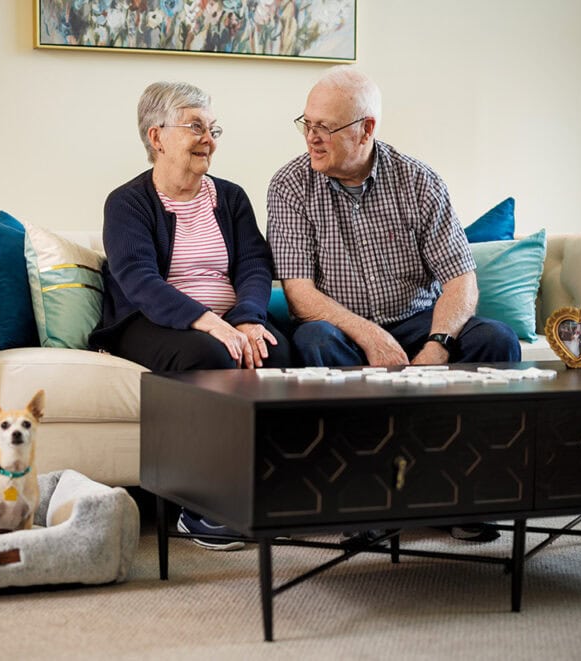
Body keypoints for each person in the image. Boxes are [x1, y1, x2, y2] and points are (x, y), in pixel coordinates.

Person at [266, 66, 520, 543]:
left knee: (495, 340)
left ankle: (467, 493)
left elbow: (460, 279)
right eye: (307, 123)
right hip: (340, 328)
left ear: (367, 129)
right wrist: (369, 334)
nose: (312, 138)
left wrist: (439, 344)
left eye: (326, 127)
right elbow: (299, 293)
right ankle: (363, 500)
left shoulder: (419, 182)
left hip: (419, 321)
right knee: (314, 340)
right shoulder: (289, 186)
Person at [90, 81, 290, 551]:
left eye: (213, 128)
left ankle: (279, 494)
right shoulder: (128, 202)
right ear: (156, 137)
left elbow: (255, 265)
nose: (209, 139)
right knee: (208, 353)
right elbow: (140, 280)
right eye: (195, 127)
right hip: (151, 321)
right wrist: (209, 321)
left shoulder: (232, 198)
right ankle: (199, 509)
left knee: (289, 349)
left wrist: (247, 318)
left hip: (226, 320)